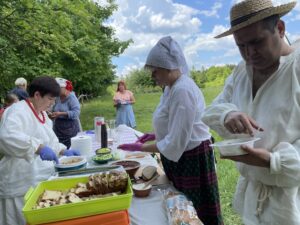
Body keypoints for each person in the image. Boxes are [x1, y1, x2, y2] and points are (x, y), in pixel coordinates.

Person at [201, 0, 299, 224]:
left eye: (257, 42)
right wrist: (228, 114)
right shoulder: (241, 73)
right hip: (253, 199)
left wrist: (273, 161)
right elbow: (211, 110)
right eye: (241, 46)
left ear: (280, 28)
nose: (249, 53)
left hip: (291, 205)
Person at [118, 36, 223, 225]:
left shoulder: (183, 90)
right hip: (180, 156)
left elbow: (176, 142)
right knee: (180, 206)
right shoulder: (170, 88)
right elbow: (171, 123)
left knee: (193, 209)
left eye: (155, 71)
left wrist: (139, 148)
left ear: (169, 67)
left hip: (192, 158)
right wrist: (155, 135)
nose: (152, 76)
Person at [0, 76, 80, 225]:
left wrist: (63, 150)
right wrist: (38, 147)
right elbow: (7, 137)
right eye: (50, 99)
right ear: (37, 95)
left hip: (38, 178)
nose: (52, 103)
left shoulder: (42, 114)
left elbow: (50, 142)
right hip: (19, 183)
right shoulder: (17, 111)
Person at [51, 78, 81, 148]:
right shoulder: (57, 97)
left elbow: (76, 113)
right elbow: (54, 109)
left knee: (71, 148)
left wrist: (61, 114)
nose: (56, 90)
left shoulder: (71, 97)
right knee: (60, 148)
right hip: (58, 129)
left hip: (70, 129)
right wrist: (52, 114)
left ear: (64, 87)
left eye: (58, 88)